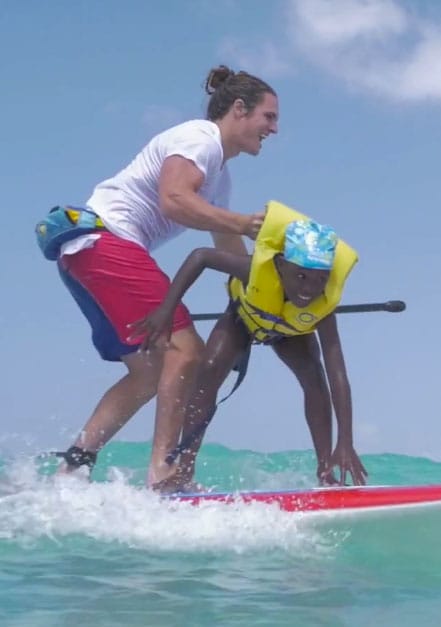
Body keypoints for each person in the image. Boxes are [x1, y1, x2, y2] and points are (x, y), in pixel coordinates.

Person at [36, 65, 277, 489]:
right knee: (185, 351)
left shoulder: (219, 176)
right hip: (105, 242)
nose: (273, 129)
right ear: (239, 109)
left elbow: (228, 248)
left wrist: (263, 299)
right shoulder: (200, 139)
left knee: (149, 371)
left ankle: (72, 470)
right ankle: (164, 473)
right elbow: (174, 199)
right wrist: (243, 223)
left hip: (84, 256)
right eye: (268, 117)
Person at [129, 200, 369, 489]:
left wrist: (345, 441)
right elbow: (200, 256)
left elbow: (338, 375)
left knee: (316, 382)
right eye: (301, 276)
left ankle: (325, 472)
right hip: (243, 319)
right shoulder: (252, 269)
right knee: (208, 370)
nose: (309, 289)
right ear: (280, 265)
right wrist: (166, 310)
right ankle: (184, 472)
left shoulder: (323, 306)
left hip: (290, 333)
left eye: (320, 280)